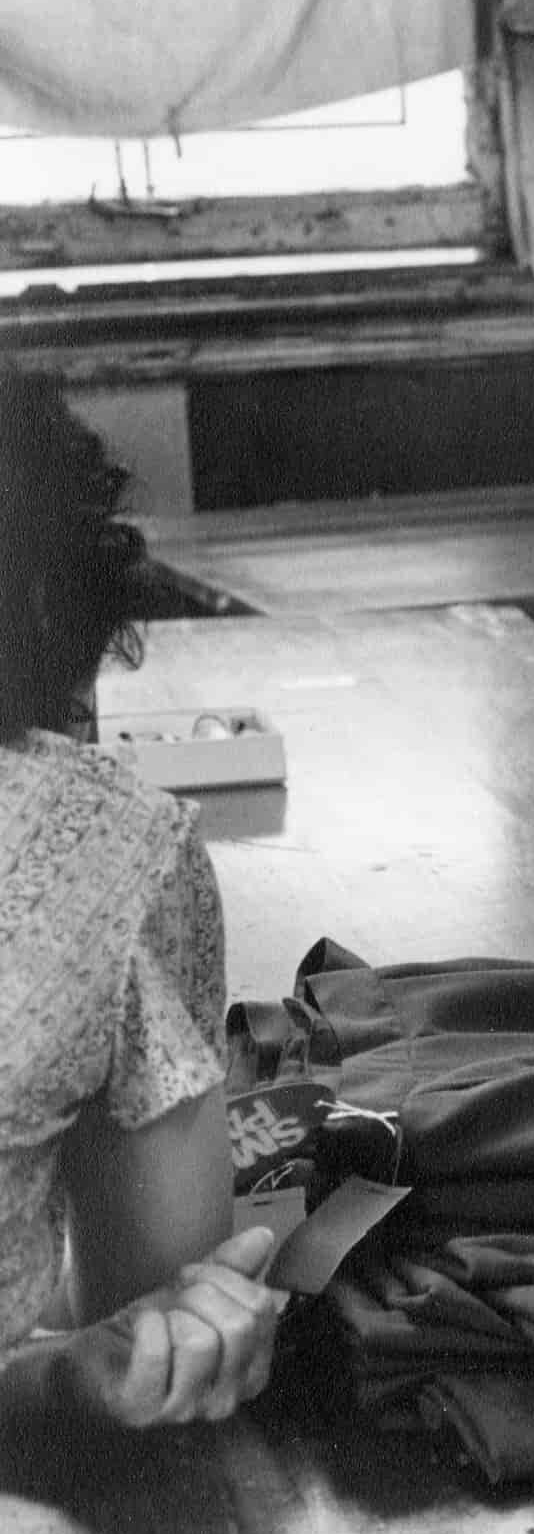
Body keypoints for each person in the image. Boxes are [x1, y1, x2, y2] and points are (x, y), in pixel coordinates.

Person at [0, 370, 287, 1428]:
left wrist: (79, 1365)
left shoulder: (106, 843)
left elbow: (136, 1341)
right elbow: (158, 1317)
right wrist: (74, 1366)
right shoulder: (109, 843)